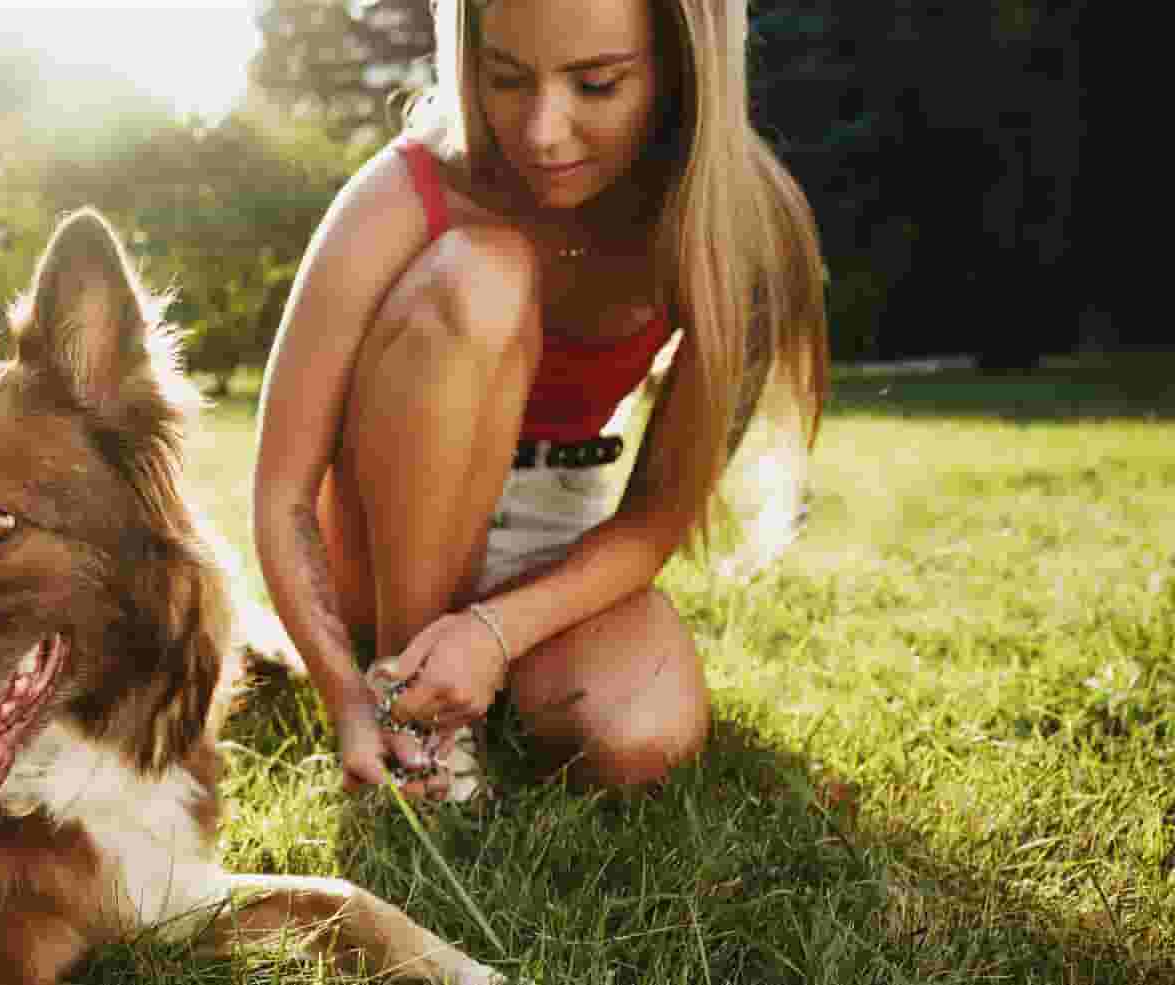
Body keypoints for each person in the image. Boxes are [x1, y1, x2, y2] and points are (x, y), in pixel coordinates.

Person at [250, 0, 828, 799]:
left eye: (597, 84)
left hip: (560, 520)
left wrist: (496, 632)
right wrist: (347, 695)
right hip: (384, 525)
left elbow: (658, 515)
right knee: (483, 277)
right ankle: (412, 705)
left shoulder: (736, 226)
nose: (543, 131)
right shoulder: (404, 190)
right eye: (507, 79)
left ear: (683, 69)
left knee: (642, 733)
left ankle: (476, 678)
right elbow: (281, 494)